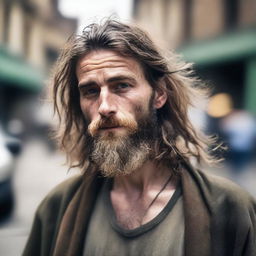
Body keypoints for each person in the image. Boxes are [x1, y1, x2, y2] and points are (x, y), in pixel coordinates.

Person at [23, 19, 256, 256]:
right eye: (91, 91)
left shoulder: (230, 208)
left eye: (121, 85)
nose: (104, 107)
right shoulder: (56, 209)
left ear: (159, 95)